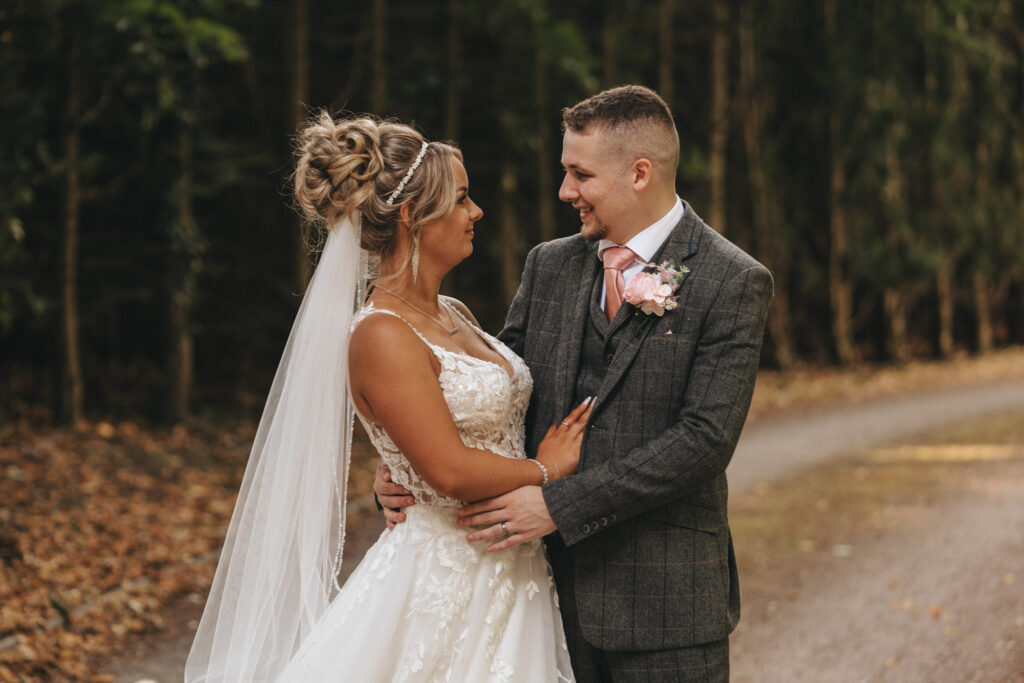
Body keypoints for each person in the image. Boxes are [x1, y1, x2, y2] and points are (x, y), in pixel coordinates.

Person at [376, 85, 773, 681]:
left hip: (666, 606)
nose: (565, 192)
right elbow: (499, 389)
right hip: (539, 597)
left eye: (579, 174)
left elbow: (704, 440)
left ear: (639, 174)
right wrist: (406, 459)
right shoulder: (549, 264)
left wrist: (557, 503)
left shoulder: (732, 280)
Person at [185, 112, 590, 682]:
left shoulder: (453, 313)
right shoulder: (380, 333)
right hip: (446, 579)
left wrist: (398, 463)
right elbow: (448, 470)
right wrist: (545, 469)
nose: (476, 213)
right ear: (410, 215)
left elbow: (445, 428)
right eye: (462, 199)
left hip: (509, 571)